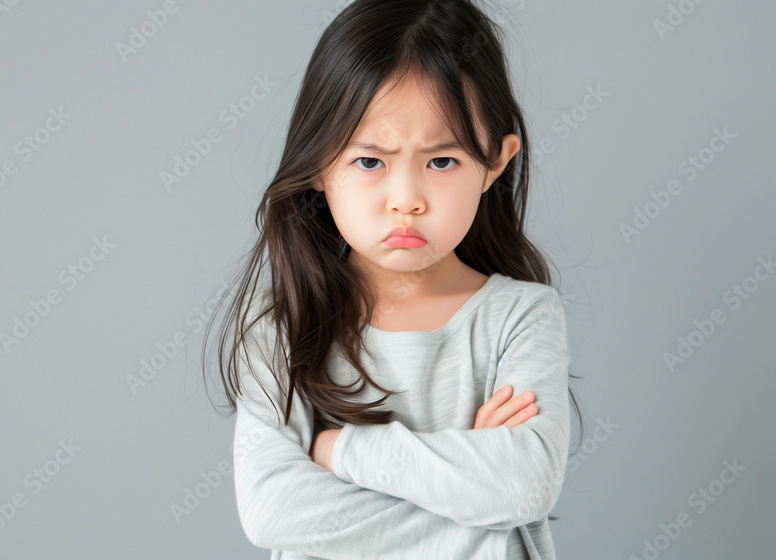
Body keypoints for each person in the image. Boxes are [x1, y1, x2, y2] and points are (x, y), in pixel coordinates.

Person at [203, 0, 585, 558]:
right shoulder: (281, 326)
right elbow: (274, 510)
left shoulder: (521, 317)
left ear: (495, 162)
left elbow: (523, 486)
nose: (406, 199)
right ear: (318, 163)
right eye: (369, 162)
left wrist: (337, 450)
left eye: (441, 162)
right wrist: (475, 498)